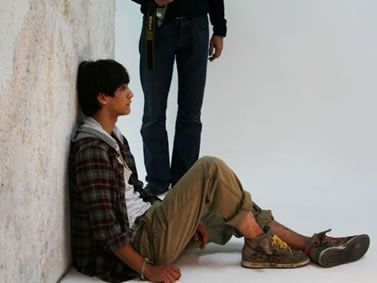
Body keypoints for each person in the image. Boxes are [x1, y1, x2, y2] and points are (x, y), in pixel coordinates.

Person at [69, 59, 370, 283]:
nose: (131, 94)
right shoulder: (92, 151)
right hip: (142, 244)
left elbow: (135, 192)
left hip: (151, 226)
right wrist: (148, 270)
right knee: (210, 168)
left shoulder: (113, 139)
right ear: (102, 97)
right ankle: (259, 245)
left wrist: (185, 217)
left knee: (230, 204)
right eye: (122, 88)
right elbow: (106, 229)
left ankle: (308, 245)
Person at [131, 0, 227, 195]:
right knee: (153, 112)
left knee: (191, 113)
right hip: (156, 26)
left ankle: (185, 181)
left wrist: (219, 28)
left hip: (197, 26)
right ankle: (157, 181)